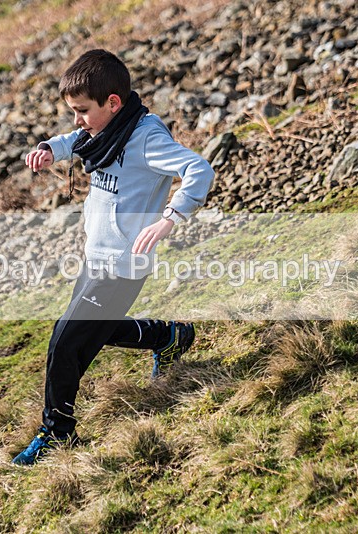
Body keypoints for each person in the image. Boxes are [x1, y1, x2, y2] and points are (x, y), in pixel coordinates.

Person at [12, 49, 214, 465]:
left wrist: (170, 218)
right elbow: (78, 140)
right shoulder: (105, 130)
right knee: (93, 331)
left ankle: (57, 433)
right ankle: (168, 337)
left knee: (64, 344)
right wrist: (52, 148)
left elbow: (199, 169)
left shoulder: (146, 139)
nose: (77, 120)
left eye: (82, 111)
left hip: (123, 263)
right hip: (96, 255)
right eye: (72, 111)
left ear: (113, 103)